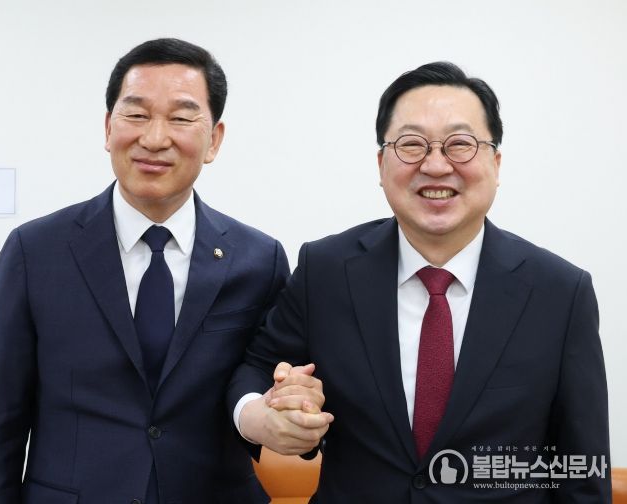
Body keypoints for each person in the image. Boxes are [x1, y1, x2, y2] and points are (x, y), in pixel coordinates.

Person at [230, 62, 611, 502]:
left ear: (496, 163)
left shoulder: (560, 293)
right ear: (381, 164)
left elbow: (582, 471)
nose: (435, 165)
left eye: (460, 144)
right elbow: (257, 368)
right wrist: (262, 415)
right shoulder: (327, 270)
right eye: (411, 144)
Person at [0, 38, 330, 504]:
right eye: (136, 114)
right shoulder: (34, 252)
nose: (154, 138)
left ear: (214, 140)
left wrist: (291, 409)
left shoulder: (259, 258)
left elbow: (262, 384)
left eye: (181, 118)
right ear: (108, 127)